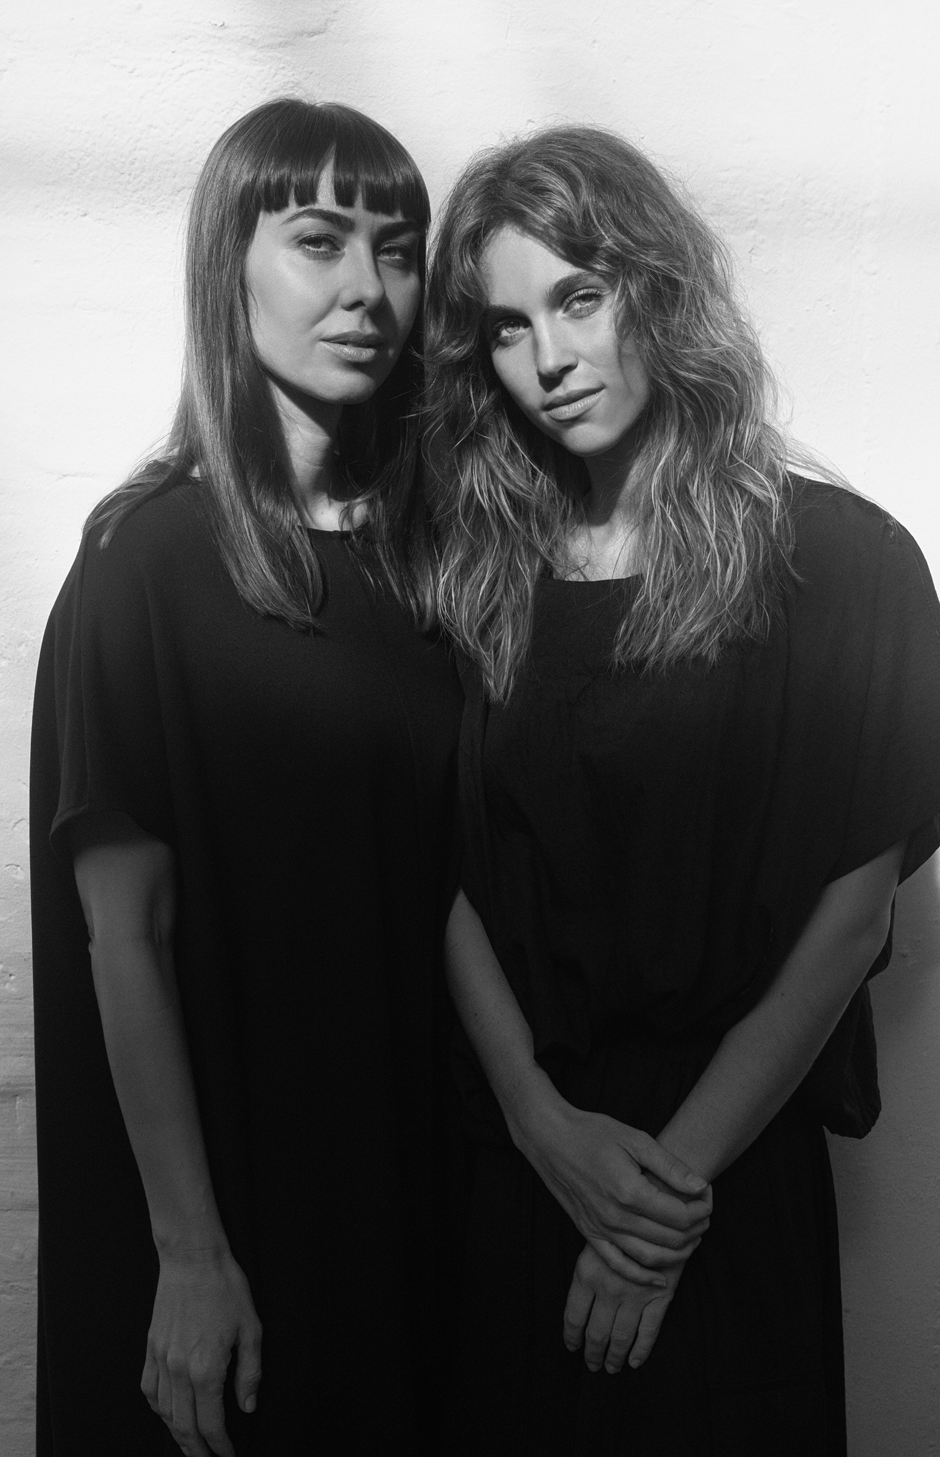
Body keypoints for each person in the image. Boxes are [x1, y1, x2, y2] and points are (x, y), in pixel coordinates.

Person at [423, 126, 940, 1454]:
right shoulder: (464, 574)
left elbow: (848, 921)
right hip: (518, 1166)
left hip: (728, 1176)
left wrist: (658, 1207)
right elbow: (435, 873)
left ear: (658, 290)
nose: (549, 359)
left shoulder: (842, 565)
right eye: (507, 327)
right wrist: (537, 1120)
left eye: (579, 297)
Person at [30, 98, 463, 1455]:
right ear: (232, 264)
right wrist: (191, 1253)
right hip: (222, 1215)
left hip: (410, 1187)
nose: (367, 288)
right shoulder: (145, 562)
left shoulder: (432, 563)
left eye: (397, 249)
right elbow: (125, 937)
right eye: (319, 240)